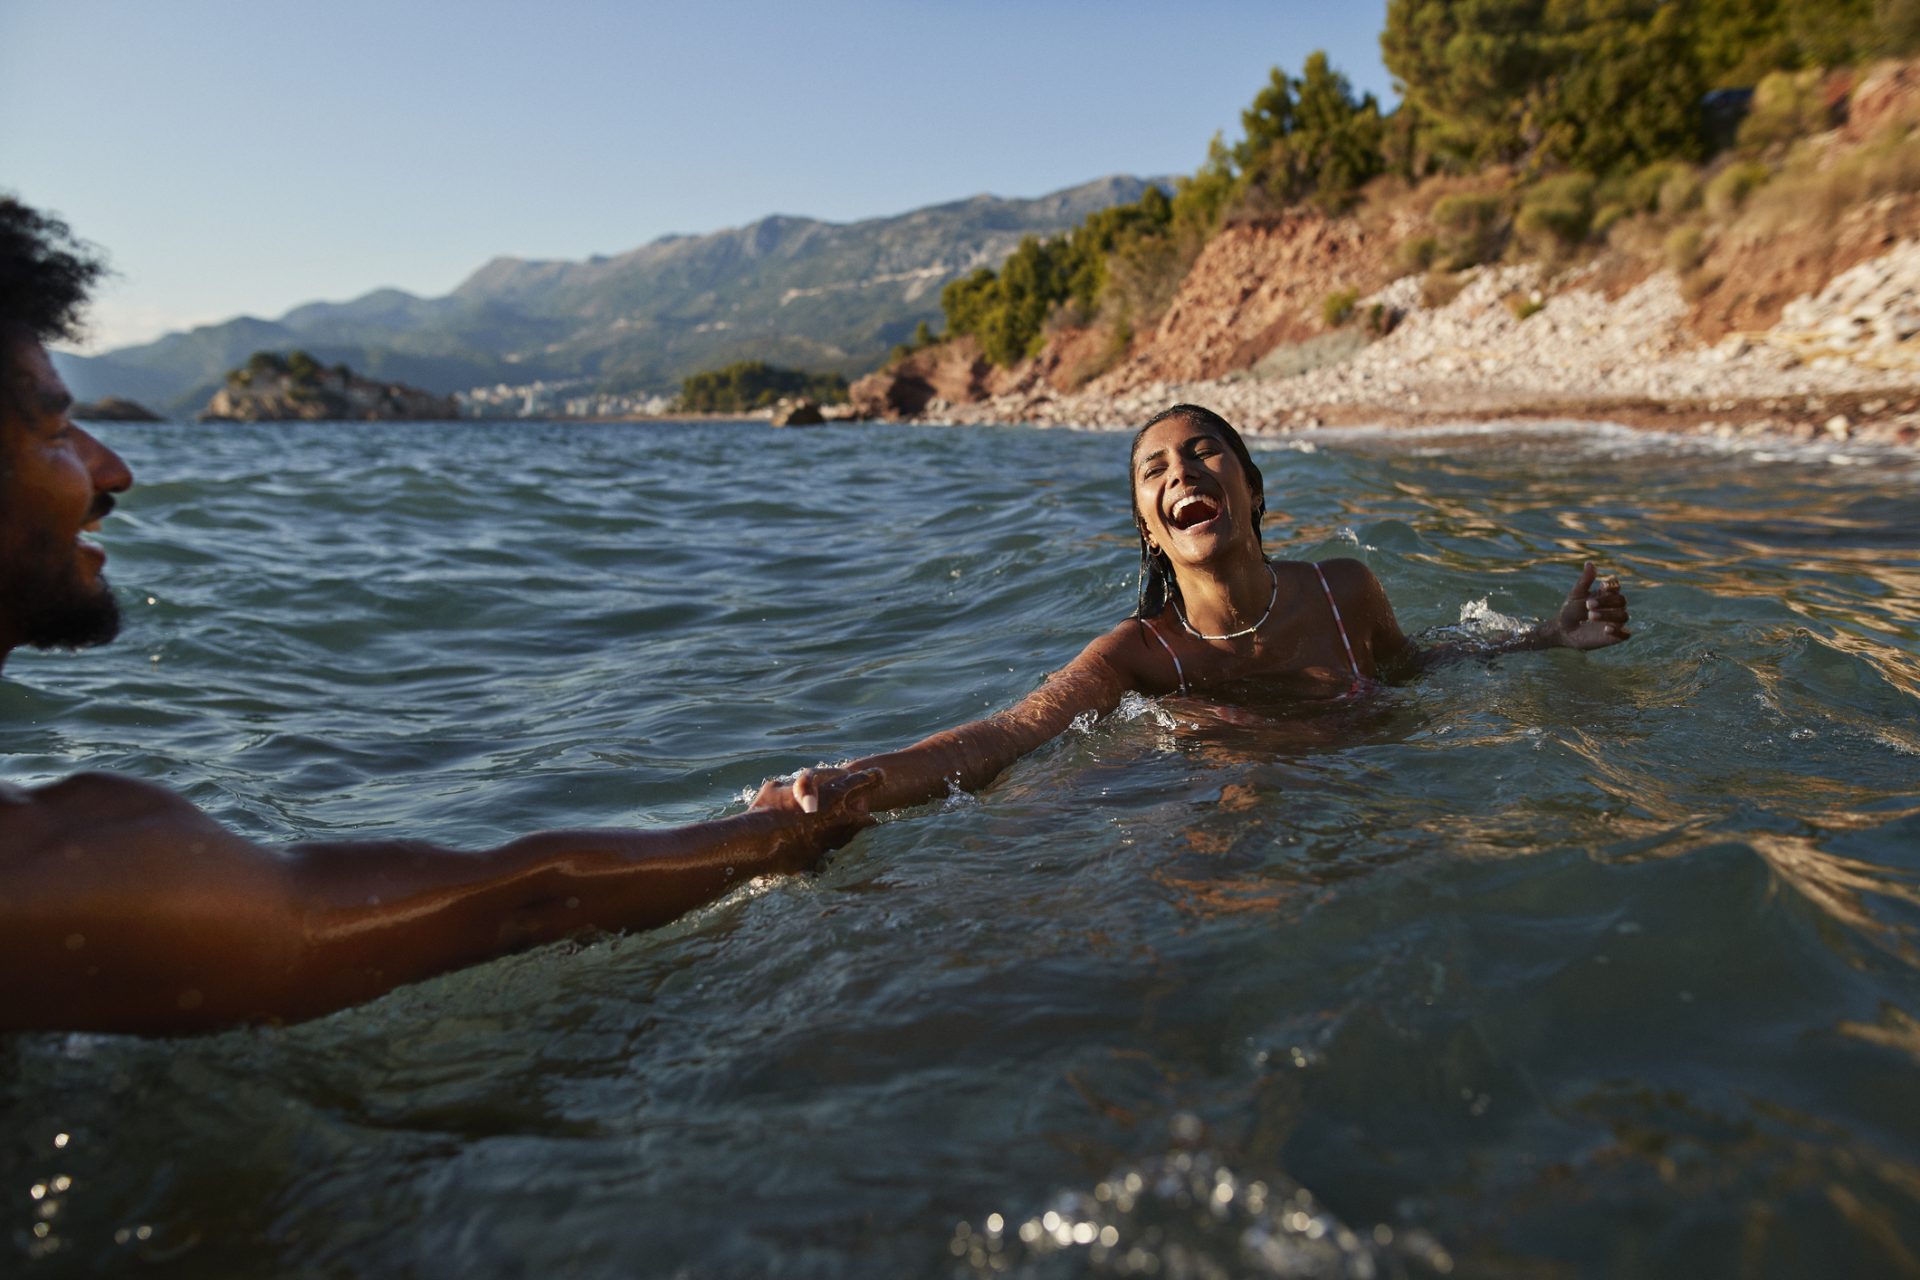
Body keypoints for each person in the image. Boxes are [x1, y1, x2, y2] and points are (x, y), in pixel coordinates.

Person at [0, 197, 876, 1035]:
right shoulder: (64, 874)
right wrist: (799, 825)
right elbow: (524, 904)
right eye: (51, 431)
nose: (109, 470)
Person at [761, 402, 1631, 817]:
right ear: (1152, 529)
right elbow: (1007, 734)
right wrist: (863, 774)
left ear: (1252, 491)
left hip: (1374, 806)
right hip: (1216, 818)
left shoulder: (1345, 591)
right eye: (1156, 470)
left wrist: (1546, 640)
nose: (1182, 471)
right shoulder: (1144, 656)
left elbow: (1414, 669)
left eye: (1204, 452)